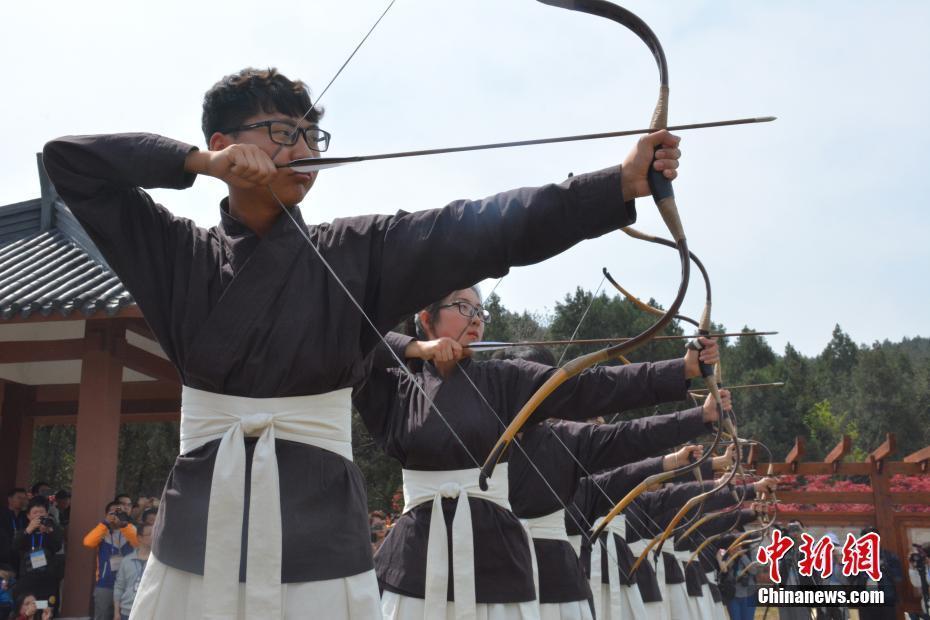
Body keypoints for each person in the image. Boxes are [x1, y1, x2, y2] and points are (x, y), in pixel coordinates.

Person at [42, 64, 681, 619]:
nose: (302, 148)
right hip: (198, 526)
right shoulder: (176, 253)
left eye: (309, 135)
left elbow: (478, 230)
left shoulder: (357, 252)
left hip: (320, 529)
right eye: (281, 132)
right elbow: (68, 160)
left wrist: (614, 185)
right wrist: (192, 164)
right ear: (224, 143)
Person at [353, 284, 712, 618]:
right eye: (464, 307)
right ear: (426, 318)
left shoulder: (505, 379)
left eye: (481, 311)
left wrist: (683, 369)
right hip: (416, 555)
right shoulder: (398, 389)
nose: (477, 318)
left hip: (497, 555)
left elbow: (589, 386)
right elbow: (350, 338)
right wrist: (414, 348)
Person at [83, 502, 139, 620]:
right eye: (113, 512)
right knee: (102, 616)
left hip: (127, 583)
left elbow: (138, 543)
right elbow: (88, 542)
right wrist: (105, 523)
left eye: (120, 512)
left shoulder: (130, 529)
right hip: (105, 583)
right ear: (106, 514)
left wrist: (123, 525)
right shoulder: (102, 530)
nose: (116, 515)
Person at [11, 498, 61, 614]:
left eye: (41, 512)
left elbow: (57, 546)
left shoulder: (52, 530)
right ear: (28, 516)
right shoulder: (24, 531)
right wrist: (28, 530)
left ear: (47, 514)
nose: (38, 515)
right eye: (35, 512)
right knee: (28, 609)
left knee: (45, 607)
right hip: (28, 578)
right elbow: (15, 546)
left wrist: (49, 531)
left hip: (47, 579)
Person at [113, 523, 153, 620]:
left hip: (150, 611)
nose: (154, 536)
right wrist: (116, 613)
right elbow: (119, 587)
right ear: (139, 538)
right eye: (150, 534)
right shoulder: (126, 561)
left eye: (155, 533)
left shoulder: (158, 563)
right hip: (127, 611)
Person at [1, 490, 28, 573]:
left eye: (24, 498)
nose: (22, 501)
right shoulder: (2, 513)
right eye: (19, 498)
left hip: (21, 556)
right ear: (10, 499)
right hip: (4, 556)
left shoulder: (26, 516)